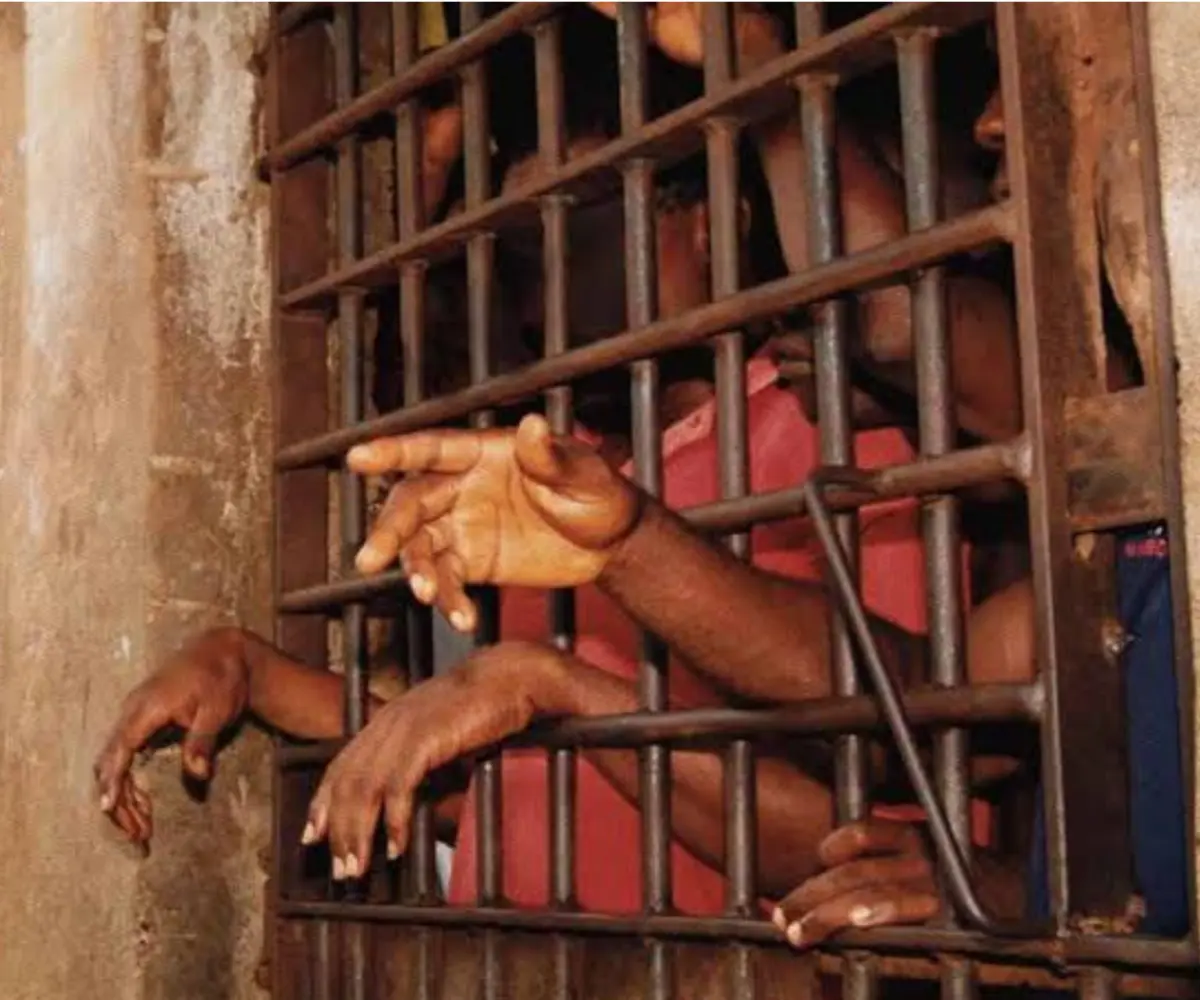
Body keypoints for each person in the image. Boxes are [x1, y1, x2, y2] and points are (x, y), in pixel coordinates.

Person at [94, 3, 1035, 950]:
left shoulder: (826, 431)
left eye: (588, 226)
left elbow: (865, 836)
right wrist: (255, 671)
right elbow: (518, 785)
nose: (555, 279)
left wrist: (562, 687)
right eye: (526, 247)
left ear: (714, 221)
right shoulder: (555, 467)